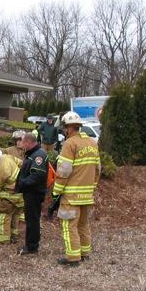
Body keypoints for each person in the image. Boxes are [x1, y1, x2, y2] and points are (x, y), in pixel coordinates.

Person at [52, 111, 101, 267]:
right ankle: (84, 253)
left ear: (68, 128)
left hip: (72, 196)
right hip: (87, 195)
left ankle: (73, 257)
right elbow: (98, 168)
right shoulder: (93, 143)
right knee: (83, 224)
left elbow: (64, 170)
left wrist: (56, 191)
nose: (63, 132)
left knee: (68, 225)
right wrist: (92, 186)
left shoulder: (70, 143)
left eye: (64, 129)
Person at [15, 132, 48, 255]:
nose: (21, 145)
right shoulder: (33, 153)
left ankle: (32, 247)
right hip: (31, 192)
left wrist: (23, 183)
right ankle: (30, 245)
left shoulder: (38, 155)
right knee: (31, 219)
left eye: (23, 142)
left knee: (32, 220)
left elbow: (37, 175)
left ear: (28, 142)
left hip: (34, 193)